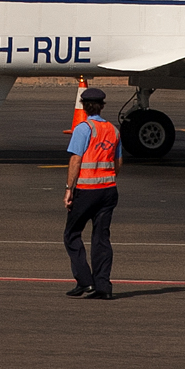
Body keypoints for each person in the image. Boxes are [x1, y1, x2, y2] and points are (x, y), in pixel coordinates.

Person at [62, 86, 120, 300]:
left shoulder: (83, 128)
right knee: (101, 238)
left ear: (84, 107)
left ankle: (85, 281)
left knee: (71, 234)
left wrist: (69, 189)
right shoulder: (113, 130)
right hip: (108, 190)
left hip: (87, 191)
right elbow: (118, 161)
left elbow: (76, 159)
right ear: (102, 106)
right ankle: (103, 285)